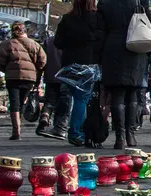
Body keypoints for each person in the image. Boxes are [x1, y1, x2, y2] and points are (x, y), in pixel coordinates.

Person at [98, 0, 151, 149]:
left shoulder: (105, 3)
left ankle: (120, 137)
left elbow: (99, 30)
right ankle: (131, 134)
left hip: (112, 49)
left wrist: (99, 55)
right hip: (135, 47)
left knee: (117, 95)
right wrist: (148, 51)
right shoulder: (138, 1)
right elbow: (150, 23)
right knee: (133, 95)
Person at [53, 0, 104, 146]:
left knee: (67, 96)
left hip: (70, 64)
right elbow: (101, 41)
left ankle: (61, 126)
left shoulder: (68, 18)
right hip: (89, 64)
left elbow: (58, 42)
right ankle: (76, 132)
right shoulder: (97, 17)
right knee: (82, 100)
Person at [0, 22, 46, 140]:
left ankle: (16, 131)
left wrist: (7, 69)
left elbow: (0, 61)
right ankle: (20, 122)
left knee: (14, 102)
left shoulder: (7, 44)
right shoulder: (35, 45)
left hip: (12, 77)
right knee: (23, 100)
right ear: (25, 31)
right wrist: (36, 71)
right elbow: (43, 61)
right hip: (29, 78)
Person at [36, 34, 72, 140]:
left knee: (50, 100)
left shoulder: (48, 41)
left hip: (51, 75)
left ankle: (45, 116)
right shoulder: (70, 40)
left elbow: (42, 59)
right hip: (65, 75)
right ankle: (59, 127)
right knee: (64, 103)